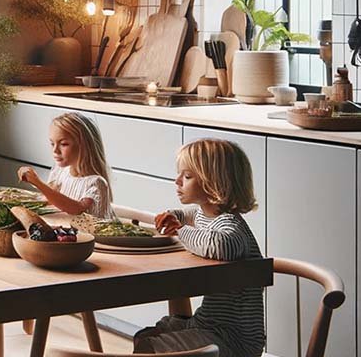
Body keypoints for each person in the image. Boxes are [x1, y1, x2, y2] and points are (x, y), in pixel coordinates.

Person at [137, 139, 264, 357]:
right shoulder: (202, 215)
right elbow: (186, 216)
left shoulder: (230, 224)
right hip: (207, 323)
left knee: (148, 347)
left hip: (232, 338)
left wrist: (180, 231)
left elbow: (222, 245)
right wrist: (173, 216)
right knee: (144, 337)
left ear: (214, 183)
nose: (177, 181)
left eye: (187, 176)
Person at [17, 112, 114, 219]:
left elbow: (77, 209)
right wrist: (32, 178)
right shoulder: (60, 171)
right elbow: (49, 197)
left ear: (84, 147)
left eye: (63, 144)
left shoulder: (96, 183)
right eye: (52, 143)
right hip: (69, 232)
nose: (55, 150)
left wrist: (38, 183)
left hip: (97, 235)